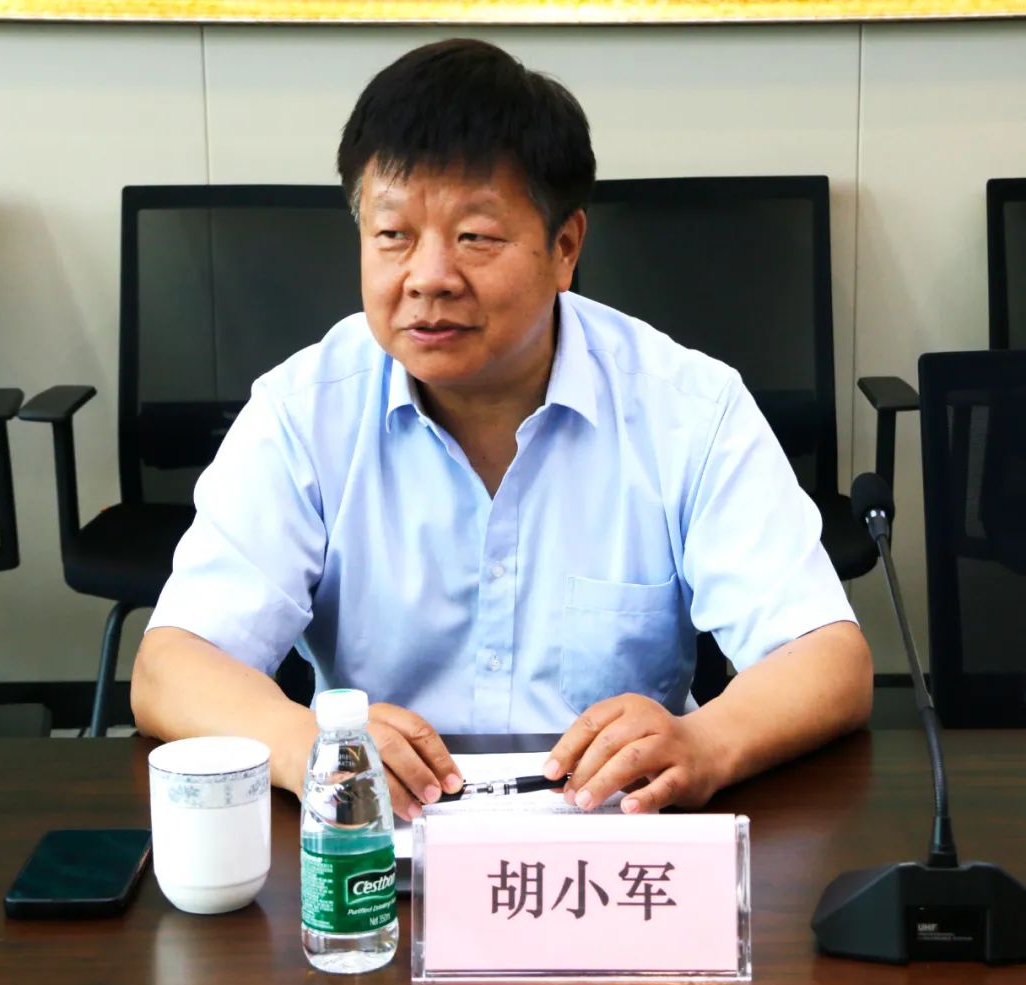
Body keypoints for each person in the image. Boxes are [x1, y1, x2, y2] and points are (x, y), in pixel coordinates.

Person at [132, 38, 872, 822]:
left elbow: (828, 658)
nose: (428, 277)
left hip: (610, 844)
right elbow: (172, 665)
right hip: (374, 845)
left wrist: (706, 741)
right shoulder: (304, 410)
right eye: (393, 235)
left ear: (565, 248)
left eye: (475, 237)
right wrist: (307, 745)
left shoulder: (687, 407)